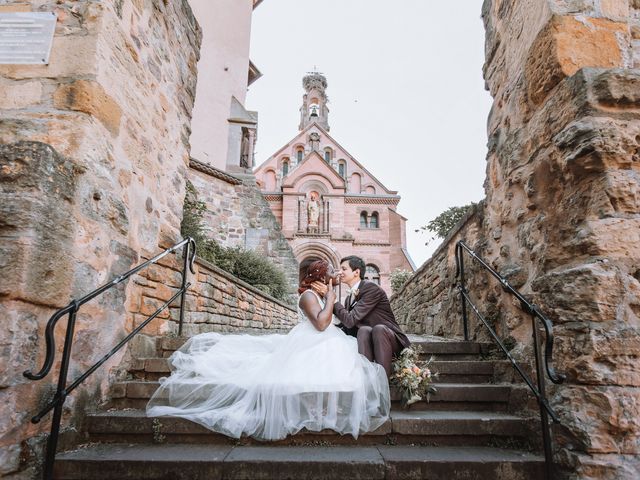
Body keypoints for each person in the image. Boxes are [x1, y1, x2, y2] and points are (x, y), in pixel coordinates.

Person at [146, 260, 389, 441]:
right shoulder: (308, 296)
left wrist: (331, 298)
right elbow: (322, 323)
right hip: (314, 337)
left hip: (323, 338)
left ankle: (331, 406)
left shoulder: (317, 294)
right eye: (330, 275)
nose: (335, 276)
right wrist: (331, 297)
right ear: (320, 278)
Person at [312, 256, 410, 377]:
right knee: (363, 330)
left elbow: (350, 320)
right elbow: (346, 326)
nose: (339, 272)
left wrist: (332, 298)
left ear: (356, 272)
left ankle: (383, 382)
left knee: (378, 329)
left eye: (344, 269)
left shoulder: (371, 288)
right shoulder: (349, 298)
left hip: (389, 340)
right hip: (369, 339)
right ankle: (367, 381)